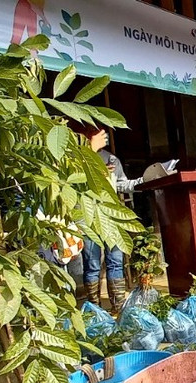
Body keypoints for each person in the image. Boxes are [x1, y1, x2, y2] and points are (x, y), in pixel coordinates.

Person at [76, 124, 143, 313]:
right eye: (100, 133)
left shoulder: (112, 158)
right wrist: (93, 154)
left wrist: (145, 180)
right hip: (87, 216)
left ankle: (119, 307)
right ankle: (94, 309)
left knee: (116, 260)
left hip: (111, 216)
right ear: (89, 135)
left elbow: (122, 184)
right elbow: (74, 181)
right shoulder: (76, 156)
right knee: (92, 264)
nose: (105, 137)